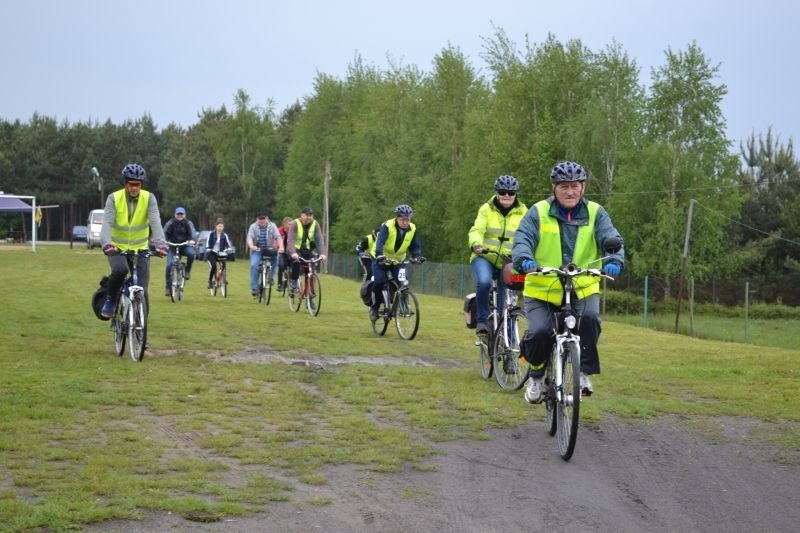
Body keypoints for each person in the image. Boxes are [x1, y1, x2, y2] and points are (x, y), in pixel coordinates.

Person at [512, 161, 624, 402]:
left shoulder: (596, 212)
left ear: (583, 187)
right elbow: (523, 239)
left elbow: (610, 236)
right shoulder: (538, 212)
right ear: (554, 188)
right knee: (540, 332)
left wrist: (614, 258)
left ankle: (582, 373)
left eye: (575, 186)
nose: (570, 191)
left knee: (591, 320)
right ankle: (536, 375)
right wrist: (525, 259)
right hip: (543, 288)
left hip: (582, 287)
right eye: (564, 186)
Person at [99, 163, 167, 321]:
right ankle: (110, 299)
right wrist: (106, 243)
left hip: (140, 249)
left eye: (138, 184)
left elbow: (155, 222)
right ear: (125, 183)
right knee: (121, 270)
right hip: (116, 248)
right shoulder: (113, 198)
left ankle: (141, 333)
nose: (135, 188)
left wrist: (161, 245)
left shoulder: (149, 198)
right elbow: (107, 224)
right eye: (131, 184)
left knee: (143, 291)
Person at [468, 175, 528, 335]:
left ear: (515, 194)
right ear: (497, 193)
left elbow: (530, 235)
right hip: (485, 257)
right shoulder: (486, 209)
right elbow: (477, 229)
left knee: (507, 303)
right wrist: (476, 244)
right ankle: (481, 320)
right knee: (484, 282)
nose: (506, 196)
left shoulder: (524, 212)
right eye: (502, 192)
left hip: (508, 262)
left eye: (510, 192)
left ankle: (507, 343)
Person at [369, 204, 423, 322]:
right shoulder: (387, 226)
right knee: (379, 281)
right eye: (402, 219)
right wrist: (379, 255)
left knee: (403, 282)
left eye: (407, 219)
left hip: (398, 260)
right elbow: (380, 242)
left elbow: (415, 246)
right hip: (381, 258)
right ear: (397, 218)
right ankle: (375, 307)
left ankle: (404, 307)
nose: (405, 222)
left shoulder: (412, 229)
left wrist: (417, 256)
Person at [287, 207, 327, 300]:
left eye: (310, 215)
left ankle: (310, 297)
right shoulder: (295, 224)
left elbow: (319, 240)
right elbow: (290, 239)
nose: (309, 217)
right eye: (306, 215)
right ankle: (293, 282)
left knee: (312, 270)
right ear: (301, 215)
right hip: (296, 250)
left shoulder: (315, 224)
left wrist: (322, 253)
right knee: (296, 262)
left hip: (308, 250)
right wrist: (293, 253)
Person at [162, 206, 198, 296]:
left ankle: (187, 271)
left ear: (184, 215)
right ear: (175, 214)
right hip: (173, 247)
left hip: (185, 246)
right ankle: (168, 287)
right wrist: (164, 240)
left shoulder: (188, 223)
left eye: (181, 214)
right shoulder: (170, 223)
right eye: (178, 214)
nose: (180, 216)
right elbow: (164, 232)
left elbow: (193, 233)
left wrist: (192, 240)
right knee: (169, 265)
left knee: (191, 254)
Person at [246, 211, 283, 297]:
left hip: (269, 250)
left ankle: (270, 277)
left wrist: (281, 247)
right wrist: (251, 246)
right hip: (257, 250)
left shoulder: (272, 226)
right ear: (257, 219)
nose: (262, 220)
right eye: (260, 218)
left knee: (275, 259)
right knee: (254, 265)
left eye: (264, 218)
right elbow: (249, 237)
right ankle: (254, 288)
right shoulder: (253, 227)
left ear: (267, 218)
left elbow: (278, 236)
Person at [205, 217, 233, 289]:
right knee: (213, 266)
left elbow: (228, 244)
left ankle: (221, 277)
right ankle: (210, 281)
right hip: (211, 253)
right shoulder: (211, 234)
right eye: (219, 226)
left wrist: (229, 248)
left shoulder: (224, 235)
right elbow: (207, 243)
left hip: (220, 253)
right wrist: (208, 248)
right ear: (216, 226)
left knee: (223, 265)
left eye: (222, 226)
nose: (220, 228)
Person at [276, 216, 293, 291]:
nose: (290, 226)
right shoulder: (279, 231)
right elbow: (276, 239)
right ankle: (279, 283)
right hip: (281, 251)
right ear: (284, 224)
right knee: (281, 265)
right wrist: (278, 247)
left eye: (291, 224)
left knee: (293, 266)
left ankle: (287, 281)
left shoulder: (292, 232)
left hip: (290, 251)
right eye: (288, 224)